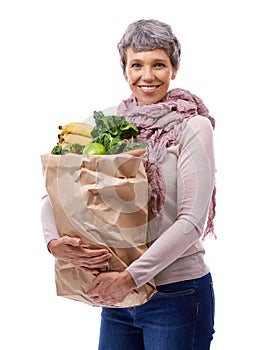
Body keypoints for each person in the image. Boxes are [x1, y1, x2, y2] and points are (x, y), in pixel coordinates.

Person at [41, 19, 216, 349]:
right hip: (118, 299)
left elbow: (192, 223)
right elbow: (56, 194)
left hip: (176, 294)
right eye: (137, 64)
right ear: (125, 70)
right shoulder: (109, 127)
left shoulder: (192, 126)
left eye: (158, 64)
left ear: (174, 69)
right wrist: (53, 243)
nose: (147, 76)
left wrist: (129, 279)